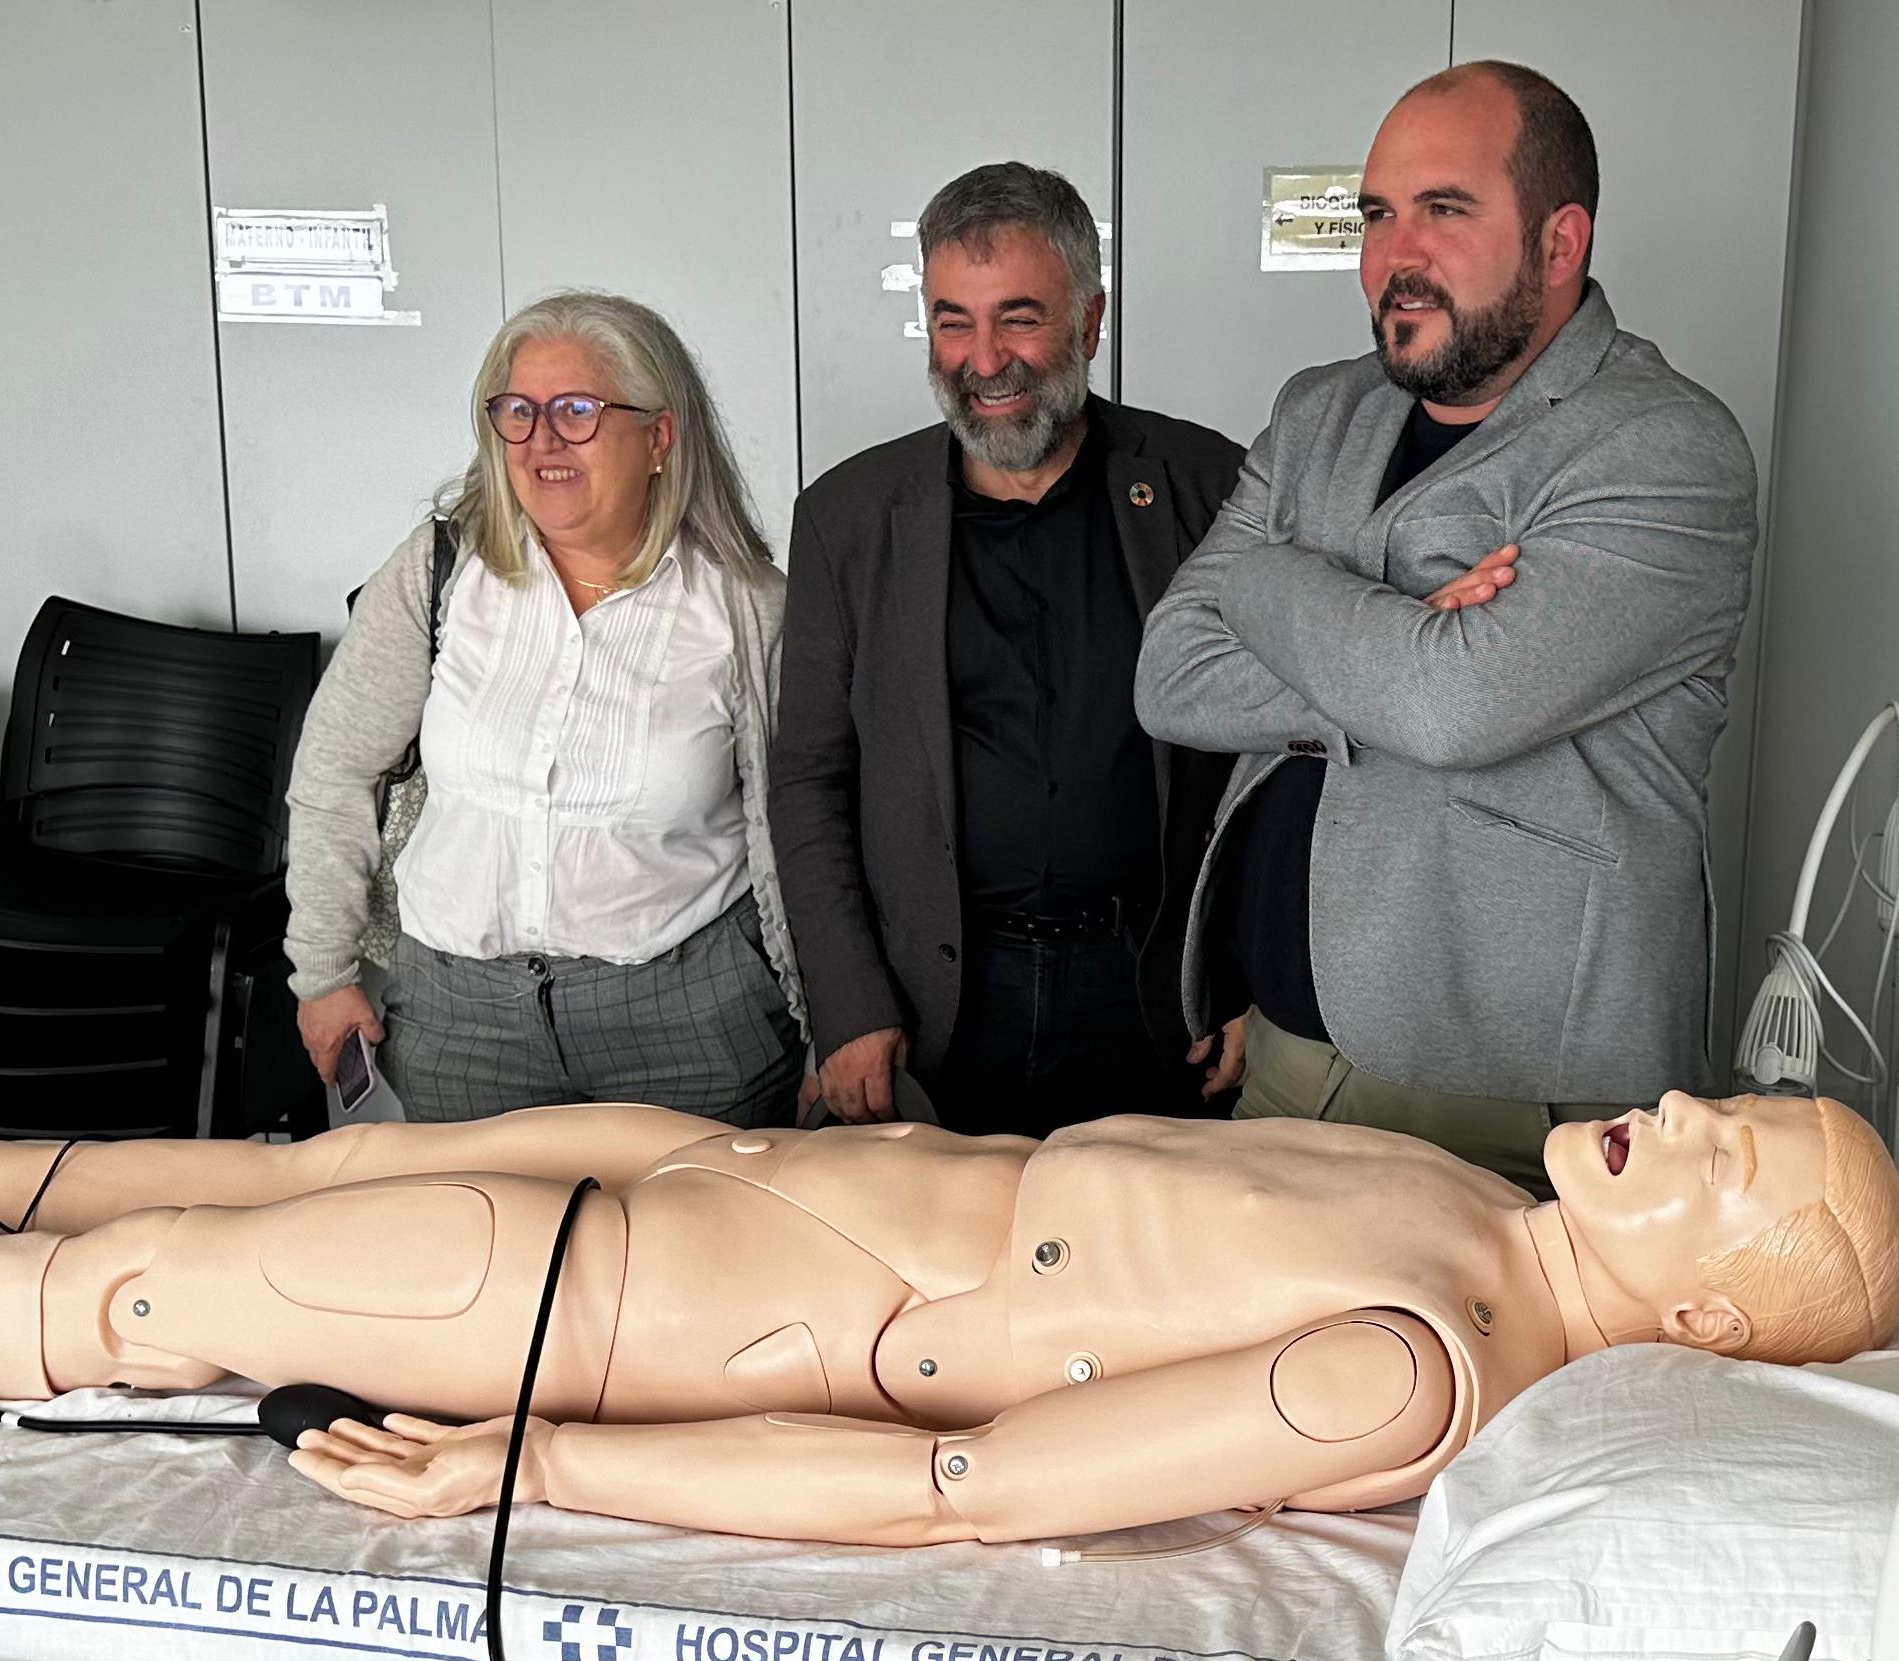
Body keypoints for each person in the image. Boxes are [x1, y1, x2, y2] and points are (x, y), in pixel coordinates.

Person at [0, 990, 1899, 1550]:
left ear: (1695, 1320)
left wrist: (535, 1462)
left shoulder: (1414, 1364)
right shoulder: (1477, 1201)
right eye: (1732, 1104)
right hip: (745, 1169)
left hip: (699, 1318)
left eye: (1730, 1172)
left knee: (167, 1302)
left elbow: (961, 1480)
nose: (1685, 1123)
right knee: (299, 1177)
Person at [1136, 62, 1760, 1191]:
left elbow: (1452, 706)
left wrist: (1268, 583)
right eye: (1377, 214)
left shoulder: (1663, 450)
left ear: (1560, 243)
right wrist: (1404, 637)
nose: (1393, 254)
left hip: (1517, 1102)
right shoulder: (1319, 410)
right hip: (1285, 1052)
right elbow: (1169, 675)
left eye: (1445, 209)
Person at [771, 164, 1246, 1138]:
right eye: (954, 321)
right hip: (933, 1013)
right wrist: (850, 1006)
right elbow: (808, 778)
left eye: (1019, 318)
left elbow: (1271, 758)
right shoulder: (848, 519)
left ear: (1089, 322)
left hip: (1156, 1001)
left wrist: (1246, 975)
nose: (984, 358)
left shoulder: (1206, 486)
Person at [281, 292, 804, 1129]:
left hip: (691, 1028)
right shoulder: (441, 570)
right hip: (460, 1025)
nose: (542, 439)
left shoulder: (746, 608)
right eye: (518, 412)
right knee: (485, 1257)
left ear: (660, 437)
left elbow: (799, 832)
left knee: (686, 1258)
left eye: (579, 411)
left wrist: (823, 1023)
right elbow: (337, 766)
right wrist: (323, 971)